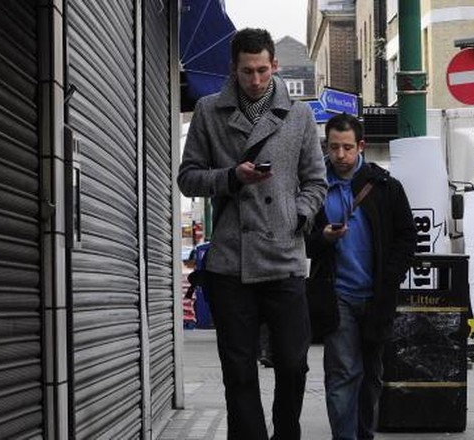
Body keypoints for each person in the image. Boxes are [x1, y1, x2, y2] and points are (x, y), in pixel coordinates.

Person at [177, 28, 327, 440]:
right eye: (247, 72)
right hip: (231, 262)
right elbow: (187, 178)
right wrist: (231, 177)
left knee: (294, 364)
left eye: (263, 70)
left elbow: (317, 182)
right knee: (238, 369)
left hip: (284, 256)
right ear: (234, 69)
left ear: (275, 65)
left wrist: (296, 214)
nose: (256, 80)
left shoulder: (298, 116)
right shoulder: (209, 111)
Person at [306, 114, 417, 440]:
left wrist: (390, 278)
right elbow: (298, 237)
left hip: (377, 296)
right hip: (336, 295)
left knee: (371, 375)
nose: (340, 155)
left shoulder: (385, 186)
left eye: (348, 148)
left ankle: (363, 434)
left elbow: (407, 237)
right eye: (334, 147)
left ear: (361, 147)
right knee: (342, 374)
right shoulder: (315, 187)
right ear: (326, 145)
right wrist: (322, 238)